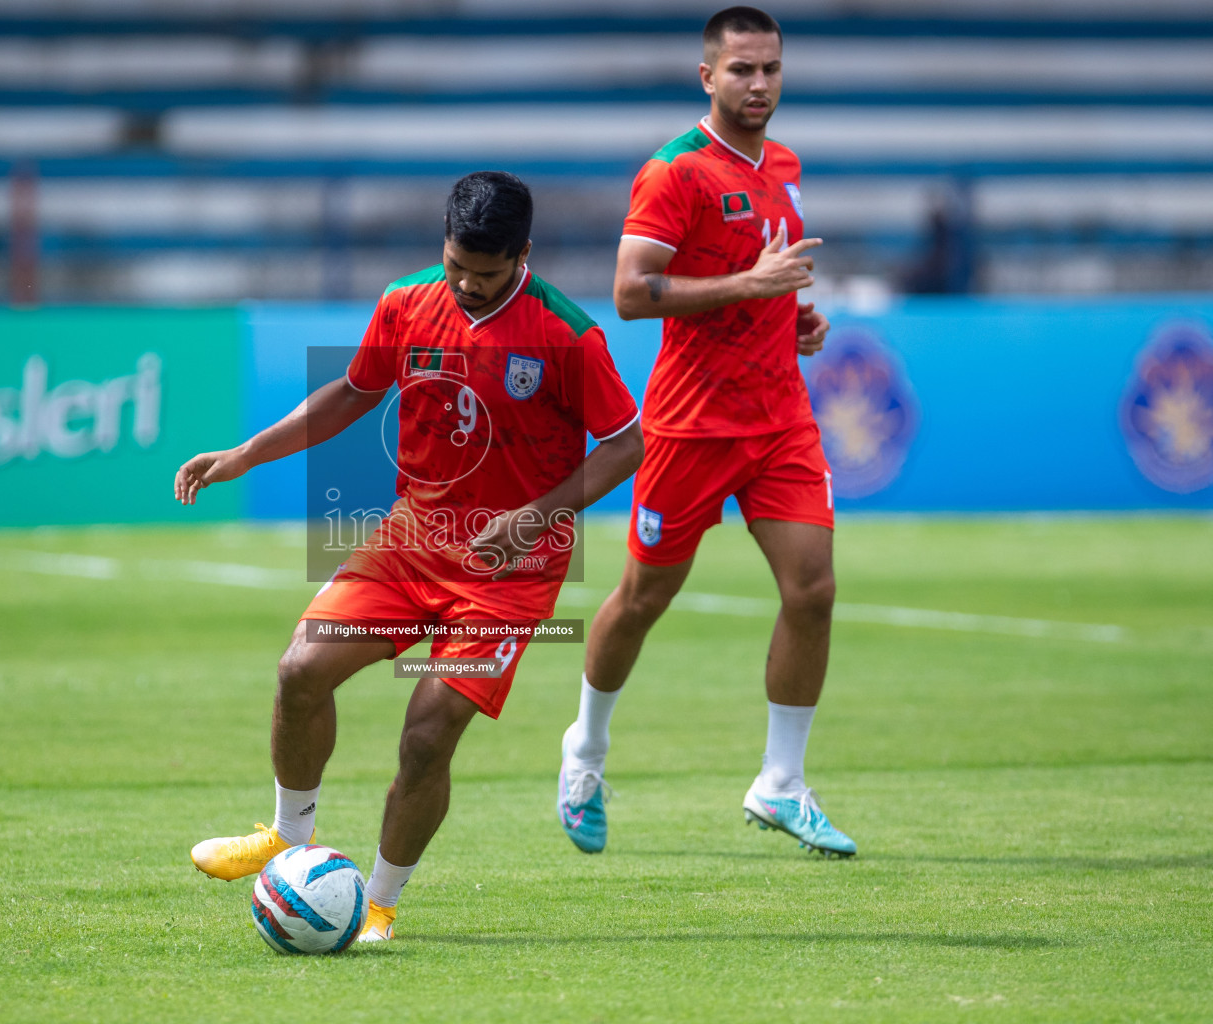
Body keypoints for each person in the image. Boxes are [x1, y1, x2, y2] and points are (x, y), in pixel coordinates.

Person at [178, 171, 643, 941]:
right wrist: (249, 454)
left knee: (427, 733)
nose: (464, 284)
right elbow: (354, 392)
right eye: (456, 264)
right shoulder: (406, 300)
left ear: (522, 255)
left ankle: (380, 902)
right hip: (411, 541)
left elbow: (628, 440)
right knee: (300, 670)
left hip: (510, 574)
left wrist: (533, 519)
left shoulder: (566, 335)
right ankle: (289, 836)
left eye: (485, 275)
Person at [555, 6, 856, 858]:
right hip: (691, 424)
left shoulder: (785, 166)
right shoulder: (674, 173)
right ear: (707, 77)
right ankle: (584, 751)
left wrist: (794, 317)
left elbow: (767, 276)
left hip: (779, 417)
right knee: (644, 599)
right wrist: (749, 286)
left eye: (770, 69)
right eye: (741, 71)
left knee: (814, 590)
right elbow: (631, 292)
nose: (758, 84)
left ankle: (781, 784)